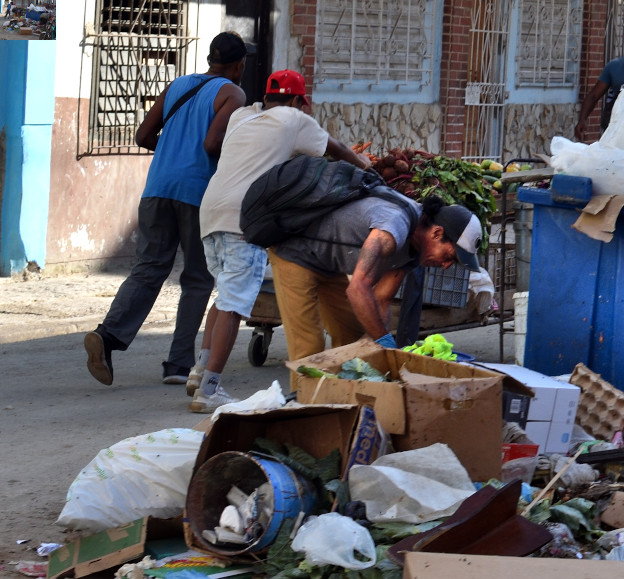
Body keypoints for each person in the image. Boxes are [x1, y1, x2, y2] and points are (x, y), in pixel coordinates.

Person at [186, 70, 372, 413]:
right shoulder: (294, 118)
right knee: (235, 304)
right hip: (244, 216)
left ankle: (200, 371)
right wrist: (364, 164)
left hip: (210, 210)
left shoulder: (243, 114)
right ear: (301, 101)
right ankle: (209, 390)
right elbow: (337, 149)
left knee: (224, 295)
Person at [83, 32, 247, 388]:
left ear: (209, 58)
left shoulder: (177, 84)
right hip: (197, 191)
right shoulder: (232, 93)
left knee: (148, 268)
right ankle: (178, 363)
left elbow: (143, 137)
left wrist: (172, 151)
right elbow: (212, 143)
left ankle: (108, 336)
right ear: (238, 65)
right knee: (197, 277)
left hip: (157, 188)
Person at [265, 192, 482, 391]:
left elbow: (381, 298)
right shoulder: (393, 227)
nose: (446, 266)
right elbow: (358, 288)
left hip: (327, 264)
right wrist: (384, 343)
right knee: (310, 353)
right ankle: (307, 417)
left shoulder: (415, 252)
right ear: (437, 233)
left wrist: (378, 349)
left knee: (353, 344)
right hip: (294, 252)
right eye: (449, 257)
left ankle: (347, 408)